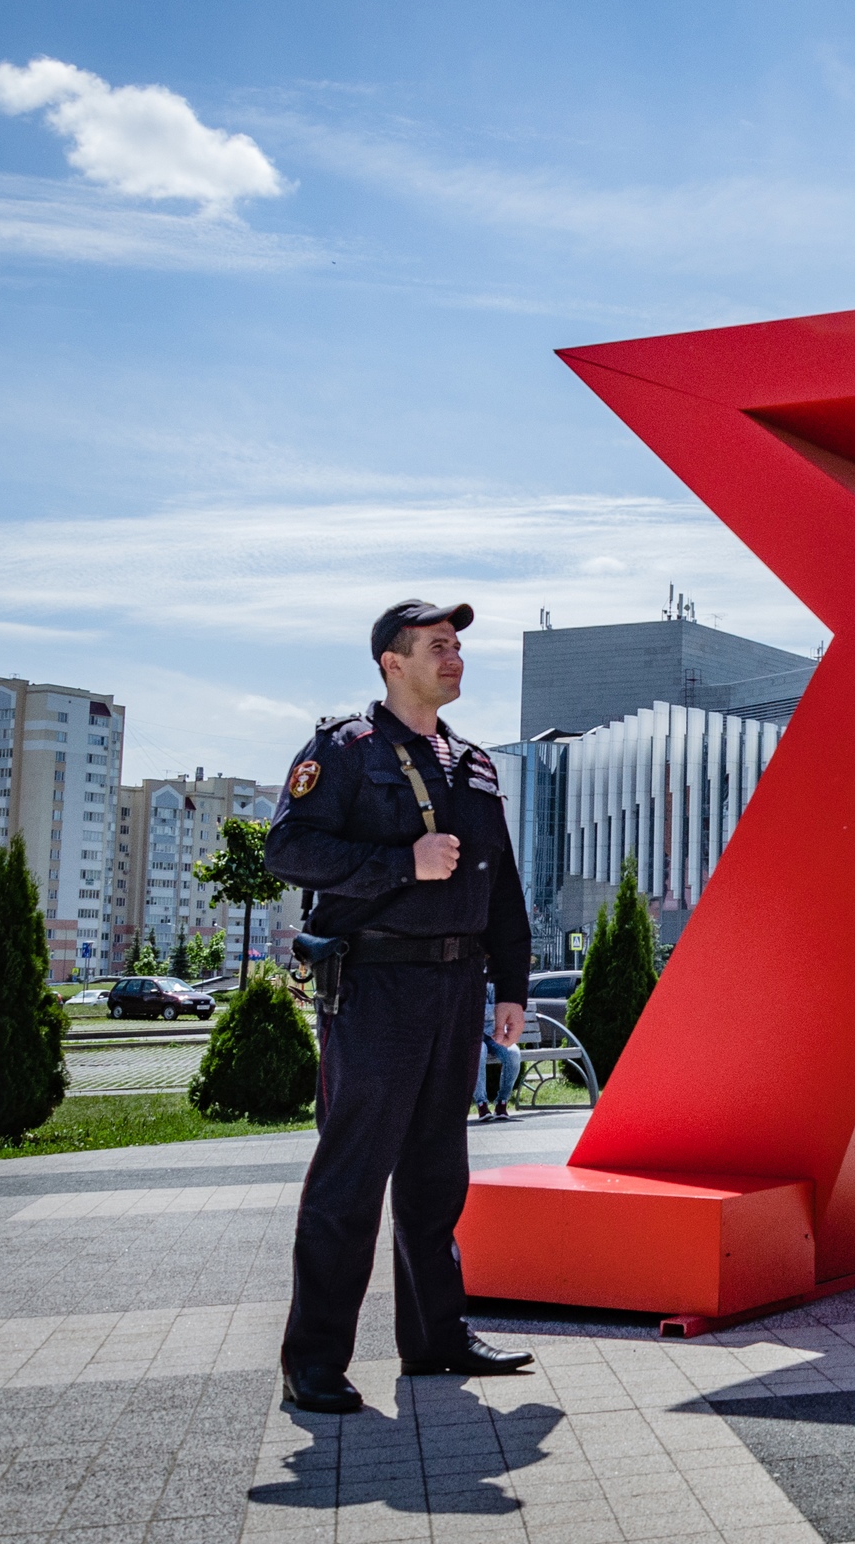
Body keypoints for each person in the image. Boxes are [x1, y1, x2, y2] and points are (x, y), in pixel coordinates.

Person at [266, 599, 537, 1413]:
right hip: (374, 986)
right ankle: (313, 1360)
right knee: (351, 1179)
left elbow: (504, 887)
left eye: (457, 646)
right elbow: (290, 849)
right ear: (392, 661)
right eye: (437, 646)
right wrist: (399, 864)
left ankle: (434, 1339)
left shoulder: (473, 764)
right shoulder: (344, 751)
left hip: (456, 989)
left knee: (435, 1176)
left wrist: (513, 987)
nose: (455, 657)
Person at [475, 979, 522, 1121]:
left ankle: (502, 1103)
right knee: (478, 1053)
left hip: (495, 1033)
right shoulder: (462, 982)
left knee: (513, 1053)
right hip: (472, 1035)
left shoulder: (490, 983)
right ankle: (481, 1104)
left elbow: (500, 1009)